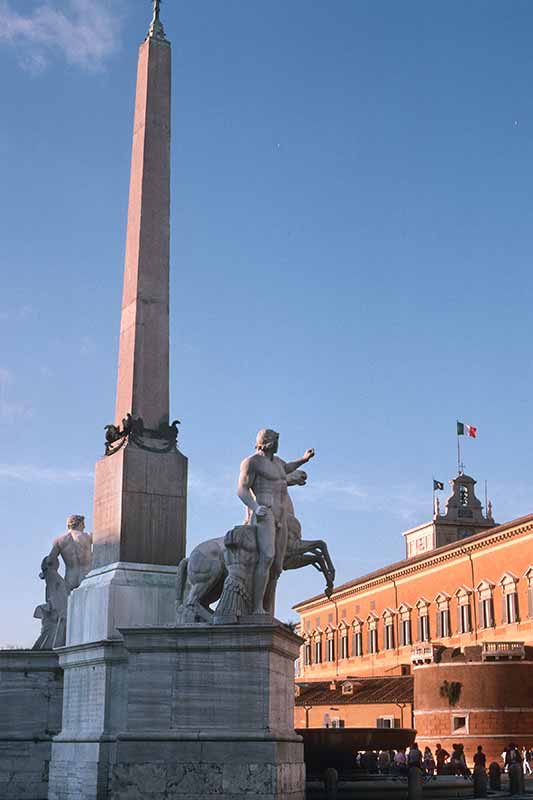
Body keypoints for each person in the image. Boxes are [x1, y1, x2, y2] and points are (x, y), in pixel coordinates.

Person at [237, 429, 314, 614]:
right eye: (277, 440)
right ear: (269, 442)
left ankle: (267, 608)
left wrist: (304, 460)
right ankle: (256, 608)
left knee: (278, 565)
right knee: (267, 557)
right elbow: (242, 489)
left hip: (281, 515)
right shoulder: (252, 462)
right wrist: (255, 507)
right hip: (265, 513)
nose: (279, 444)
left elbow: (288, 468)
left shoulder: (278, 463)